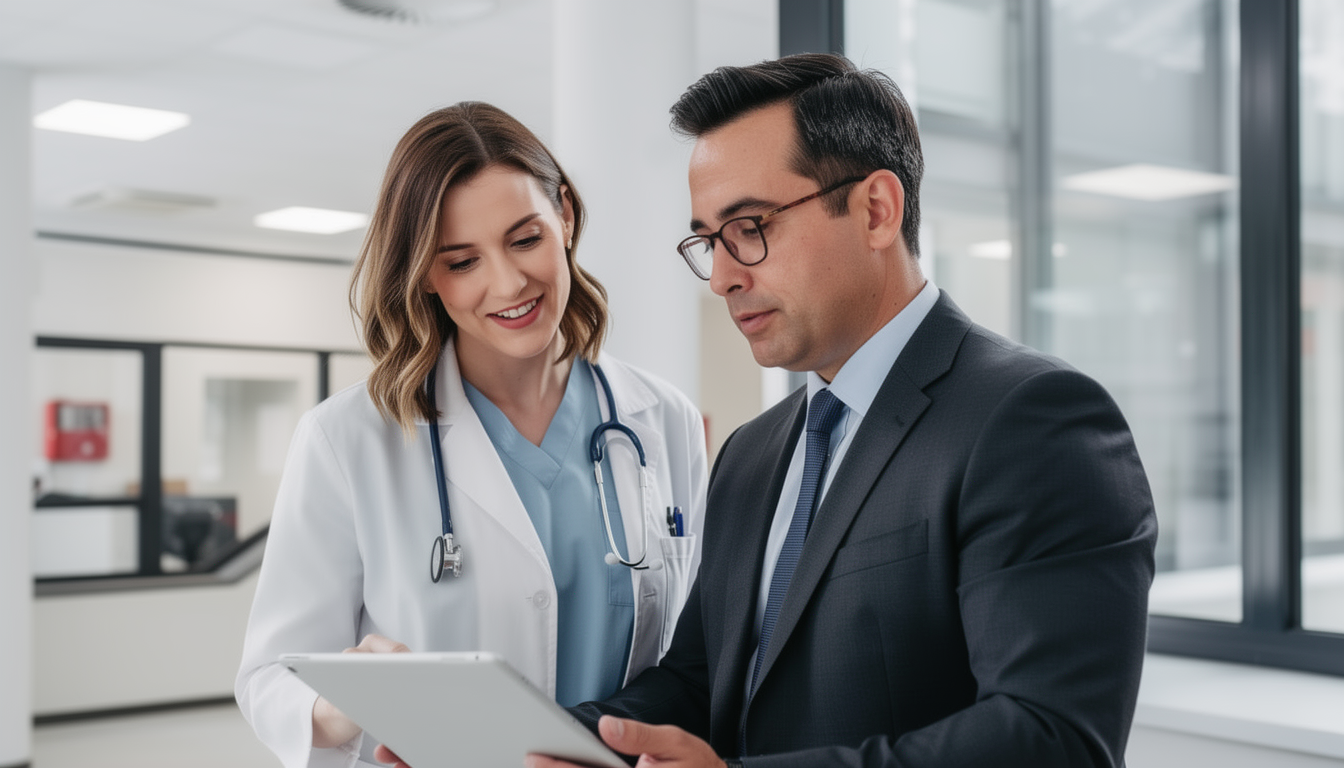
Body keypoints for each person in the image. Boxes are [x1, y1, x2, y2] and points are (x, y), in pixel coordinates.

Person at [526, 53, 1157, 768]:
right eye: (709, 241)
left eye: (750, 227)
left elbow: (1051, 739)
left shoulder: (1033, 420)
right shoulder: (751, 455)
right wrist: (522, 747)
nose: (725, 278)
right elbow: (698, 684)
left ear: (876, 210)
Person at [235, 101, 707, 768]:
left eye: (525, 239)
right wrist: (340, 709)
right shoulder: (348, 441)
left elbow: (694, 655)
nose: (508, 283)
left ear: (564, 217)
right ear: (427, 273)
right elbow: (265, 680)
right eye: (461, 261)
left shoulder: (662, 420)